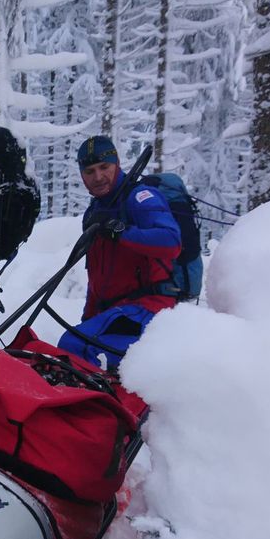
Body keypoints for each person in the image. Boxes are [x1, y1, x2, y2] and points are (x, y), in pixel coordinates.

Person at [58, 135, 182, 370]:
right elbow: (97, 279)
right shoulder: (95, 212)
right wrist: (89, 321)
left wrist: (121, 231)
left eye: (104, 167)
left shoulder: (139, 198)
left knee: (76, 347)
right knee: (74, 346)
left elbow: (171, 241)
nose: (98, 177)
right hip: (117, 313)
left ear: (116, 164)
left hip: (150, 308)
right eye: (90, 171)